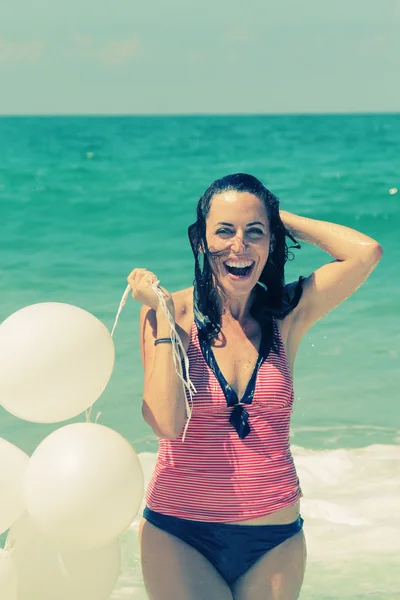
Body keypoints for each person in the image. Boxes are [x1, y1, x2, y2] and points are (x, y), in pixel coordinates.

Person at [127, 173, 382, 600]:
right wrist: (166, 320)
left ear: (271, 243)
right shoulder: (169, 312)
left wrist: (274, 214)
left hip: (275, 540)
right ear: (201, 241)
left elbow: (365, 253)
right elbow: (166, 424)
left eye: (254, 233)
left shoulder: (286, 314)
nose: (239, 246)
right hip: (180, 535)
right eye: (224, 231)